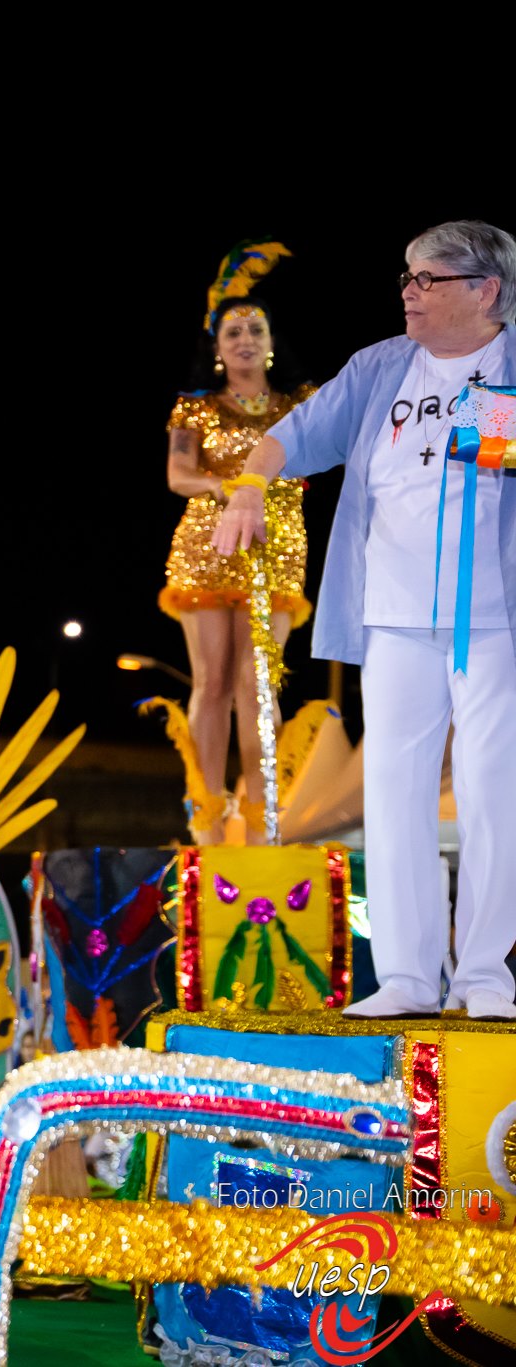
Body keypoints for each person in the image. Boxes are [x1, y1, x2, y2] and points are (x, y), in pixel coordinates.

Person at [215, 220, 516, 1020]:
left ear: (484, 290)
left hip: (496, 621)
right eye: (407, 278)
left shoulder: (514, 365)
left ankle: (486, 976)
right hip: (391, 616)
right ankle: (412, 976)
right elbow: (293, 436)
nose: (409, 293)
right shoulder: (380, 365)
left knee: (492, 790)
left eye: (428, 279)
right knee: (392, 790)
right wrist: (249, 486)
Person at [162, 243, 318, 840]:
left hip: (276, 549)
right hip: (208, 545)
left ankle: (261, 811)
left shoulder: (298, 405)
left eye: (256, 328)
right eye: (233, 331)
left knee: (258, 682)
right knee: (212, 681)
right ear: (217, 346)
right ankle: (206, 808)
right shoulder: (194, 409)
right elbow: (177, 477)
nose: (246, 339)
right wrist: (226, 487)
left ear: (273, 340)